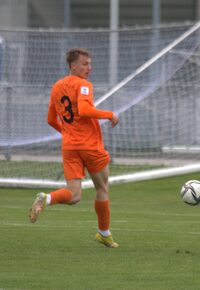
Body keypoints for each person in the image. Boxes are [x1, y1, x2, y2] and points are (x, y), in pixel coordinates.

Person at [28, 48, 120, 248]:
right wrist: (109, 114)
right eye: (85, 64)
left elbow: (51, 119)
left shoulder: (57, 86)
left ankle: (48, 198)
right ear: (73, 66)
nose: (90, 68)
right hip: (89, 145)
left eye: (90, 63)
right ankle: (104, 233)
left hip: (69, 146)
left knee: (74, 194)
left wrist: (68, 133)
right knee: (102, 188)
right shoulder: (83, 85)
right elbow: (85, 110)